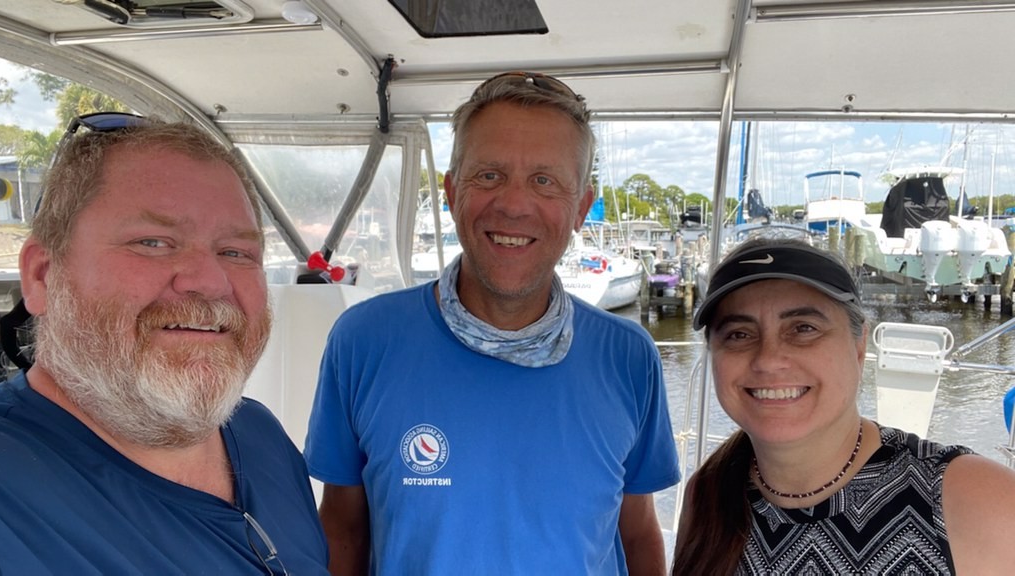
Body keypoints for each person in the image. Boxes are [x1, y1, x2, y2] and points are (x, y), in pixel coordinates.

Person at [304, 72, 680, 575]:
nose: (513, 204)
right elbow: (343, 529)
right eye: (489, 176)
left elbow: (636, 534)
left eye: (544, 181)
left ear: (581, 209)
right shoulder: (363, 341)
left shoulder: (630, 357)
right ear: (452, 192)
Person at [0, 114, 330, 573]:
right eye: (153, 242)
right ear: (42, 275)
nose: (210, 282)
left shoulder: (259, 434)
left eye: (235, 252)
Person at [672, 237, 1015, 575]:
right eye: (739, 334)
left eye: (803, 328)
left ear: (859, 346)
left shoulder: (974, 501)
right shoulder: (708, 495)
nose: (769, 360)